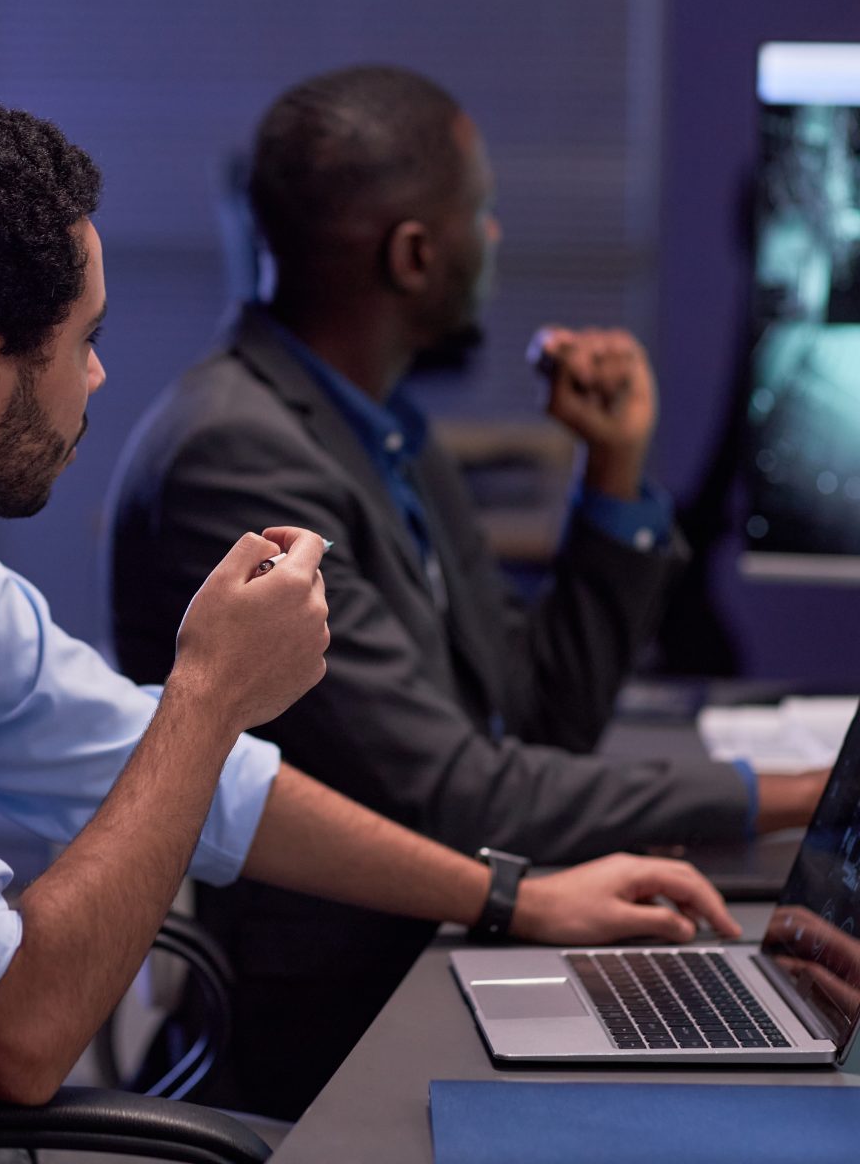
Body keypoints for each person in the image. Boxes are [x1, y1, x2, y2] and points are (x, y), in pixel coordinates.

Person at [0, 94, 740, 1120]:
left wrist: (511, 899)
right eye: (83, 340)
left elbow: (210, 789)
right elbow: (15, 1030)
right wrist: (212, 688)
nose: (97, 378)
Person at [105, 65, 828, 1117]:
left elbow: (544, 719)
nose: (493, 237)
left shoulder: (382, 432)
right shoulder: (240, 455)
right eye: (480, 213)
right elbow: (462, 796)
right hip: (329, 1027)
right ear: (414, 254)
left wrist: (614, 477)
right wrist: (793, 792)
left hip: (431, 950)